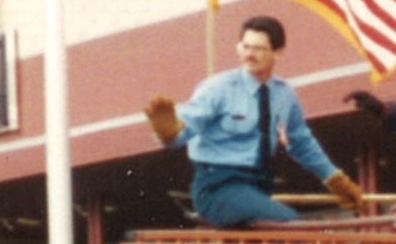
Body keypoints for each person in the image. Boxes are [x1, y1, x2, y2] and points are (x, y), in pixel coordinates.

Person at [143, 15, 363, 228]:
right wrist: (168, 132)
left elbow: (302, 143)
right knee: (292, 226)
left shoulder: (284, 95)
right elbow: (182, 133)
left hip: (258, 188)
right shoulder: (218, 88)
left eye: (257, 49)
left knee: (277, 237)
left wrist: (334, 179)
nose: (249, 54)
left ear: (278, 52)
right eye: (245, 46)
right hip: (219, 188)